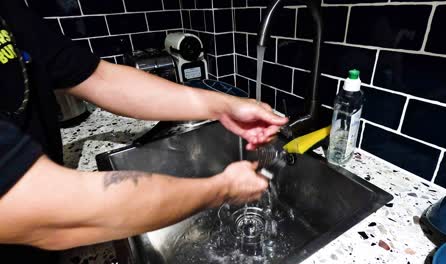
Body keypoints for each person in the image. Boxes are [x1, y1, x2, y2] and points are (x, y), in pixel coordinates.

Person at [0, 1, 288, 263]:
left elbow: (100, 78)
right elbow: (48, 212)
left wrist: (226, 106)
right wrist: (223, 189)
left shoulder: (10, 13)